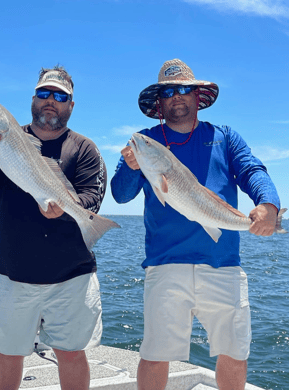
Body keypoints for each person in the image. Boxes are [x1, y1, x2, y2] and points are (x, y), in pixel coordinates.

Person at [111, 59, 281, 390]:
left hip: (223, 263)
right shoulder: (143, 142)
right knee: (156, 353)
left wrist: (269, 204)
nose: (178, 96)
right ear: (159, 101)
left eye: (185, 89)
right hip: (165, 263)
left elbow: (251, 170)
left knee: (234, 351)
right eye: (169, 91)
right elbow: (120, 194)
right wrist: (133, 165)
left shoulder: (224, 137)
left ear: (197, 95)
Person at [0, 65, 106, 390]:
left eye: (59, 95)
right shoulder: (2, 140)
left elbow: (91, 199)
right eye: (44, 93)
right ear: (33, 99)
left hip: (72, 278)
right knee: (8, 354)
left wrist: (67, 213)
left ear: (71, 104)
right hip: (12, 276)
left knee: (70, 355)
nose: (50, 100)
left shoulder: (85, 149)